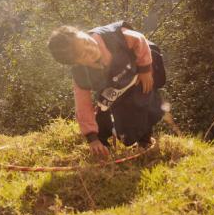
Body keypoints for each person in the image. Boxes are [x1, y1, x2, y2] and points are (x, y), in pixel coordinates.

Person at [47, 21, 164, 157]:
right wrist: (92, 138)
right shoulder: (81, 74)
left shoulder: (113, 36)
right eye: (84, 54)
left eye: (86, 42)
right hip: (114, 89)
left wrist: (145, 69)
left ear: (83, 33)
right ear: (77, 63)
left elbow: (139, 39)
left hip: (138, 74)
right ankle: (102, 148)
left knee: (142, 107)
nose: (91, 49)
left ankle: (144, 140)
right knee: (102, 121)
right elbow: (83, 106)